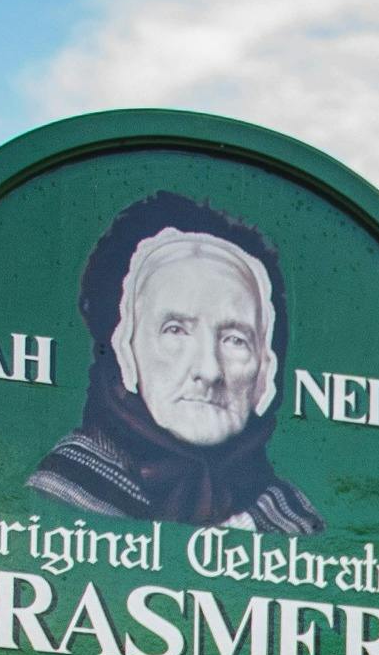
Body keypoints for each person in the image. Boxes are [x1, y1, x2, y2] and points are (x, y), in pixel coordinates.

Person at [28, 191, 326, 533]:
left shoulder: (292, 520)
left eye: (235, 340)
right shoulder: (63, 496)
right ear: (126, 350)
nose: (209, 371)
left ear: (265, 371)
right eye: (176, 330)